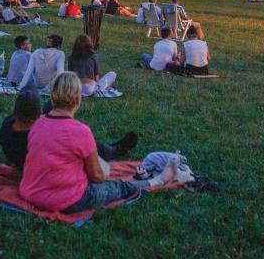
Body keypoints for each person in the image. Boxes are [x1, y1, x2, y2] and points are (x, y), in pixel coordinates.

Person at [19, 72, 182, 214]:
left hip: (30, 193)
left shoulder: (38, 124)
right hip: (67, 201)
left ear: (53, 97)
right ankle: (157, 181)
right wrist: (104, 171)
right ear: (78, 99)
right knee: (118, 187)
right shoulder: (80, 131)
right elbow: (97, 177)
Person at [0, 86, 138, 169]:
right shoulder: (38, 138)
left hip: (24, 158)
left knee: (52, 106)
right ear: (37, 116)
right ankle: (114, 150)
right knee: (89, 146)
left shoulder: (8, 125)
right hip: (44, 164)